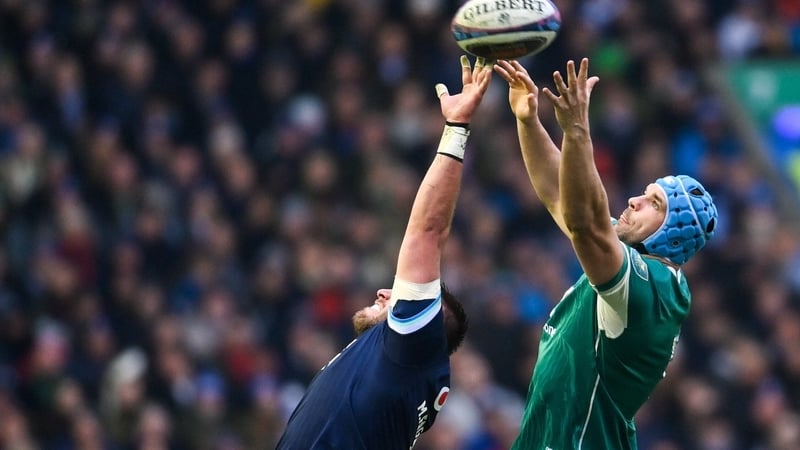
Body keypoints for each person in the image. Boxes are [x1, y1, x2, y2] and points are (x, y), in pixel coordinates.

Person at [493, 57, 718, 449]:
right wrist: (529, 121)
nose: (632, 201)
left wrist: (577, 130)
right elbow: (562, 197)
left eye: (652, 202)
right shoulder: (625, 256)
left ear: (674, 232)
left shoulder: (655, 288)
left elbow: (585, 223)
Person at [276, 55, 493, 450]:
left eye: (399, 298)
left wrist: (457, 128)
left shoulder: (413, 348)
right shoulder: (401, 367)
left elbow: (428, 231)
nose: (384, 292)